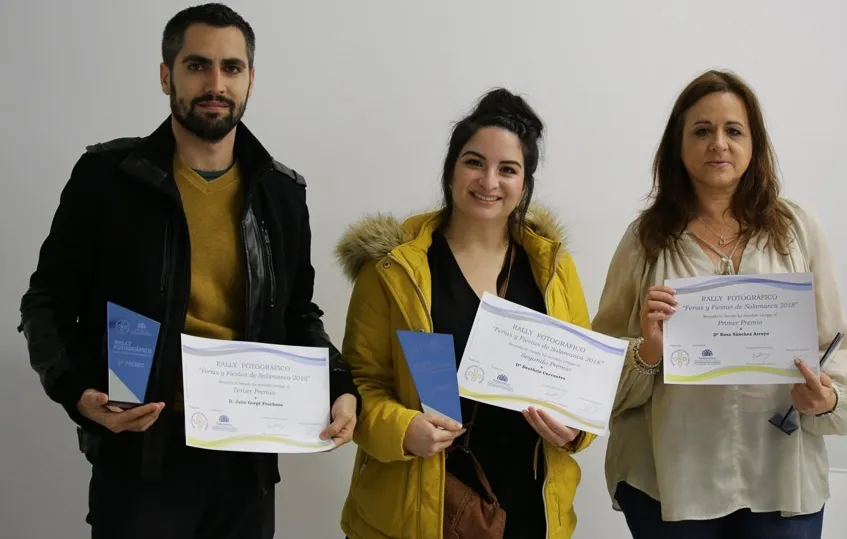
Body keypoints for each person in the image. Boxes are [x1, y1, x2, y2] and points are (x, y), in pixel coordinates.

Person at [17, 4, 360, 538]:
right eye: (197, 66)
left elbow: (298, 313)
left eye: (232, 68)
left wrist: (339, 384)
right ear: (165, 76)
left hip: (245, 457)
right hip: (142, 451)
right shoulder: (108, 179)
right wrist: (79, 390)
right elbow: (47, 302)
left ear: (250, 80)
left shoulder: (282, 195)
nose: (215, 83)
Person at [592, 69, 847, 539]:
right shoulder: (645, 240)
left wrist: (828, 398)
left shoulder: (798, 229)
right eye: (702, 130)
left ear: (754, 143)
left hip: (781, 475)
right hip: (669, 481)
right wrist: (648, 351)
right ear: (677, 146)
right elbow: (596, 367)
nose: (718, 143)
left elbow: (835, 345)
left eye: (733, 130)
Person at [333, 88, 596, 539]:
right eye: (474, 162)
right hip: (420, 507)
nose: (489, 182)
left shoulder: (553, 270)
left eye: (508, 169)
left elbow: (583, 385)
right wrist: (403, 428)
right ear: (451, 170)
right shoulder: (394, 269)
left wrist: (575, 431)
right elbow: (361, 383)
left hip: (530, 506)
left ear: (525, 184)